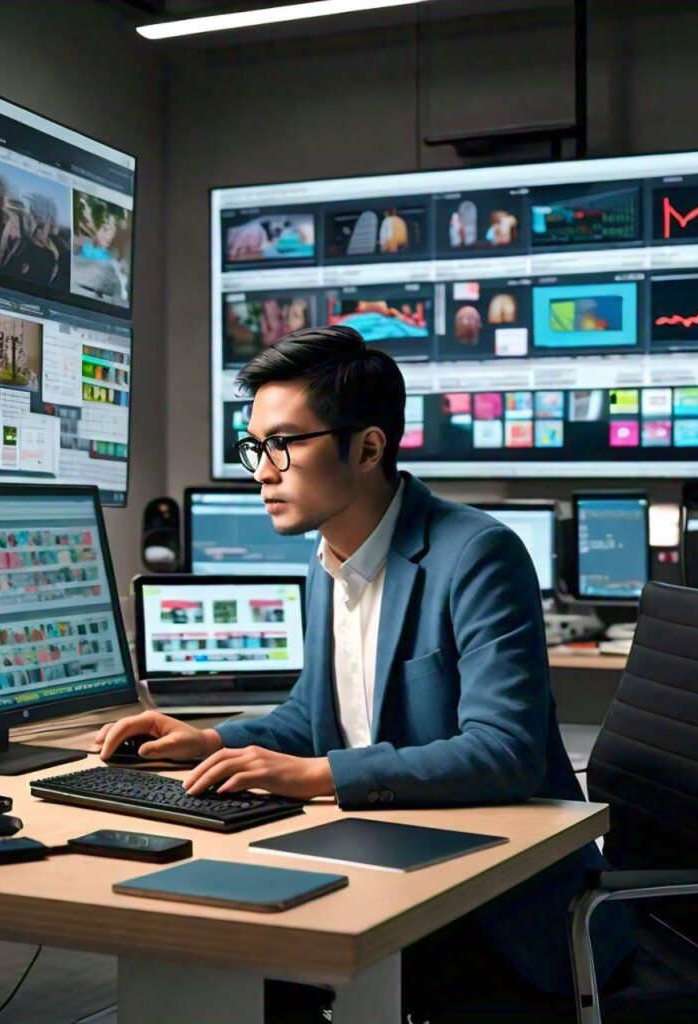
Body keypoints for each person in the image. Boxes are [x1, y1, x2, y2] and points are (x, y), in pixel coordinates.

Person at [93, 325, 636, 1021]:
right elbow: (314, 715)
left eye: (284, 444)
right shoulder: (328, 559)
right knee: (209, 942)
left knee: (251, 961)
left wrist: (319, 775)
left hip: (501, 914)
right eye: (256, 446)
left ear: (370, 446)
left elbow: (507, 753)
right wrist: (211, 740)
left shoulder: (476, 555)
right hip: (391, 863)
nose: (262, 469)